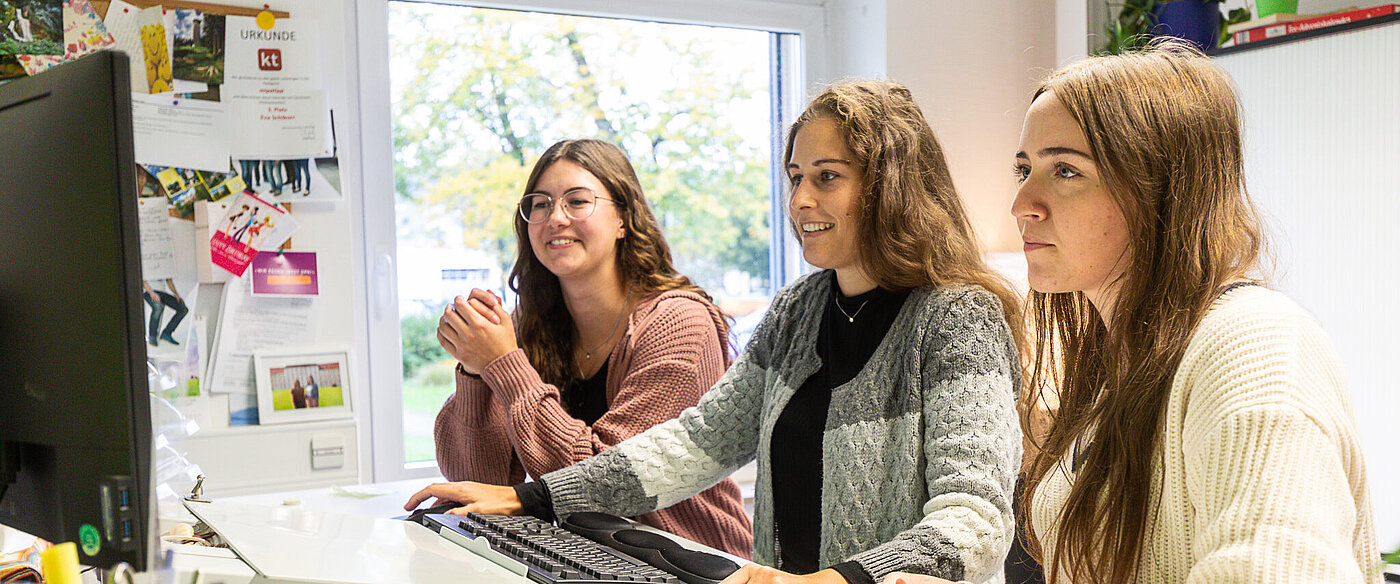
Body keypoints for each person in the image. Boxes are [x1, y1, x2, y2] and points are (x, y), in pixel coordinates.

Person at [407, 81, 1025, 584]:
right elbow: (694, 444)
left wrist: (841, 582)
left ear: (892, 183)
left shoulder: (956, 318)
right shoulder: (797, 313)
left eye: (826, 177)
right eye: (794, 177)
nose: (800, 200)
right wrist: (537, 500)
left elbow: (976, 515)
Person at [990, 40, 1375, 584]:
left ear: (1159, 186)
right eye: (1024, 168)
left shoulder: (1253, 344)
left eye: (1066, 171)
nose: (1022, 203)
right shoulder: (1119, 368)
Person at [423, 138, 753, 558]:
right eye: (539, 205)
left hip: (692, 563)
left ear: (623, 219)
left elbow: (608, 483)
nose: (555, 217)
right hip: (587, 558)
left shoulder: (680, 324)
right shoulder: (535, 326)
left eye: (577, 201)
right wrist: (475, 370)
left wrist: (503, 364)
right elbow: (480, 480)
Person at [142, 279, 188, 346]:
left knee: (183, 309)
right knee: (158, 307)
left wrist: (177, 294)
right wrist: (151, 293)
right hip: (148, 291)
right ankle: (152, 336)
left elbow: (169, 280)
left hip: (161, 292)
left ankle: (166, 333)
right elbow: (143, 280)